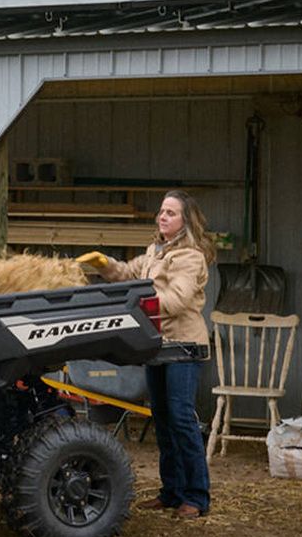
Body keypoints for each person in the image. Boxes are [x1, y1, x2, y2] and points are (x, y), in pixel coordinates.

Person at [77, 190, 214, 519]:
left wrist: (138, 304)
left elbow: (178, 300)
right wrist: (105, 265)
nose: (162, 216)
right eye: (162, 211)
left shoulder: (191, 257)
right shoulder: (155, 251)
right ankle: (171, 492)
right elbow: (129, 273)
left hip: (183, 345)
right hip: (158, 345)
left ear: (185, 221)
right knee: (163, 421)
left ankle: (197, 496)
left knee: (181, 419)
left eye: (171, 212)